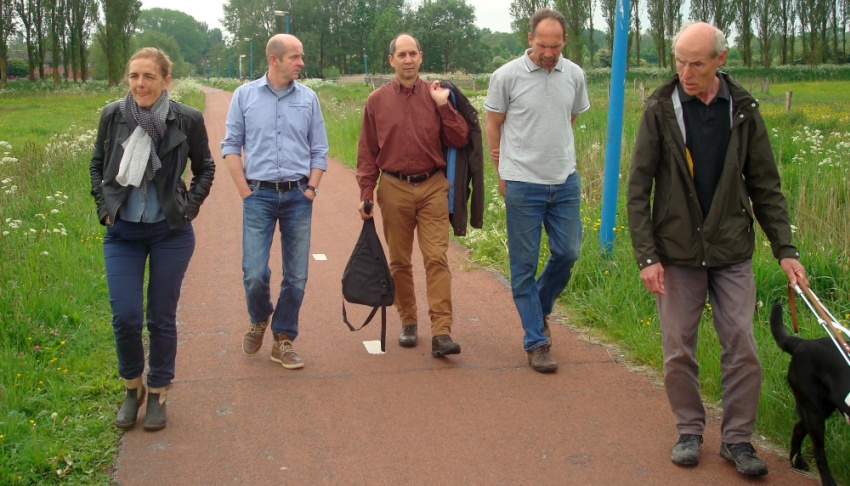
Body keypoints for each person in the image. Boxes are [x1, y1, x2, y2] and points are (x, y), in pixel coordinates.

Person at [627, 22, 806, 476]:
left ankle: (738, 440)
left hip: (731, 250)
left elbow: (765, 183)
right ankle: (688, 429)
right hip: (676, 252)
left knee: (742, 344)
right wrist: (648, 257)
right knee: (678, 348)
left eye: (697, 63)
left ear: (720, 61)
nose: (686, 72)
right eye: (679, 62)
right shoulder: (660, 109)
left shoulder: (742, 109)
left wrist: (785, 248)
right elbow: (638, 189)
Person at [89, 47, 215, 431]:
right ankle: (133, 388)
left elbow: (205, 167)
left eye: (148, 77)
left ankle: (159, 390)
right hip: (123, 232)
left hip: (169, 232)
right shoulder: (113, 116)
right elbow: (97, 166)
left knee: (160, 317)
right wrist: (104, 208)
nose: (140, 84)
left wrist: (188, 207)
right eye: (133, 77)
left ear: (165, 81)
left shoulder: (187, 119)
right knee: (125, 317)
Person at [484, 8, 589, 373]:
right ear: (529, 40)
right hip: (522, 184)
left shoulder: (574, 75)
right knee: (523, 266)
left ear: (564, 42)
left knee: (568, 253)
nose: (548, 52)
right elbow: (493, 125)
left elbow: (569, 118)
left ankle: (538, 306)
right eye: (542, 45)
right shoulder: (506, 76)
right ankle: (536, 341)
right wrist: (502, 171)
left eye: (555, 46)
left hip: (564, 182)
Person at [356, 33, 469, 356]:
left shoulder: (437, 94)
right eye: (401, 55)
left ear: (421, 57)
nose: (408, 60)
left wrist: (444, 106)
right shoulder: (376, 101)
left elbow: (460, 138)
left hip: (433, 185)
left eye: (413, 54)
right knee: (399, 261)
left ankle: (442, 332)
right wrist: (366, 192)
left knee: (436, 258)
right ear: (391, 60)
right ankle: (408, 321)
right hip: (393, 187)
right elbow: (367, 152)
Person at [222, 34, 328, 370]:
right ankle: (259, 318)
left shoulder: (308, 98)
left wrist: (311, 189)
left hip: (298, 195)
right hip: (259, 195)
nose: (301, 62)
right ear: (274, 59)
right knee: (254, 272)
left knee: (297, 275)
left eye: (301, 56)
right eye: (295, 57)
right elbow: (230, 146)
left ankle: (284, 337)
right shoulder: (244, 96)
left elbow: (319, 149)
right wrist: (244, 190)